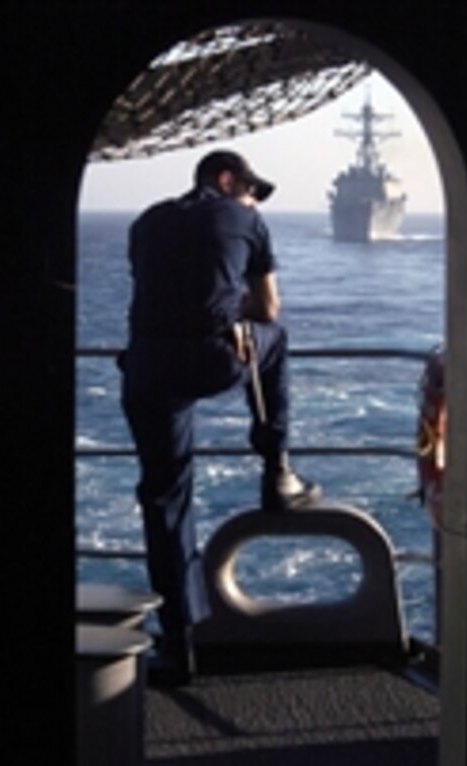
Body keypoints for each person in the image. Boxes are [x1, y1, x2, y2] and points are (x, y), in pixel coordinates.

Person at [119, 150, 322, 683]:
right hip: (213, 357)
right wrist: (235, 316)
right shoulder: (248, 219)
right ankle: (277, 466)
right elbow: (269, 310)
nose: (255, 201)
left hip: (146, 368)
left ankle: (179, 643)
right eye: (252, 189)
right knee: (276, 342)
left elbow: (166, 290)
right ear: (227, 180)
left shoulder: (146, 221)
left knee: (165, 496)